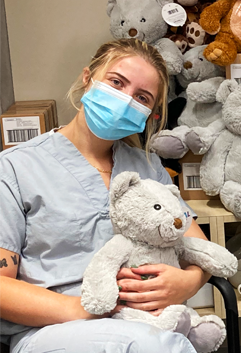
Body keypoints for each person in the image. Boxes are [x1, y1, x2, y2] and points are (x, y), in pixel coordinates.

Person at [0, 39, 212, 353]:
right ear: (88, 78)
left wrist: (190, 281)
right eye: (116, 82)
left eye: (141, 97)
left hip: (145, 322)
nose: (125, 101)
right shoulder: (17, 168)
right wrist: (85, 309)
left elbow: (198, 246)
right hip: (54, 329)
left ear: (149, 115)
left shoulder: (147, 167)